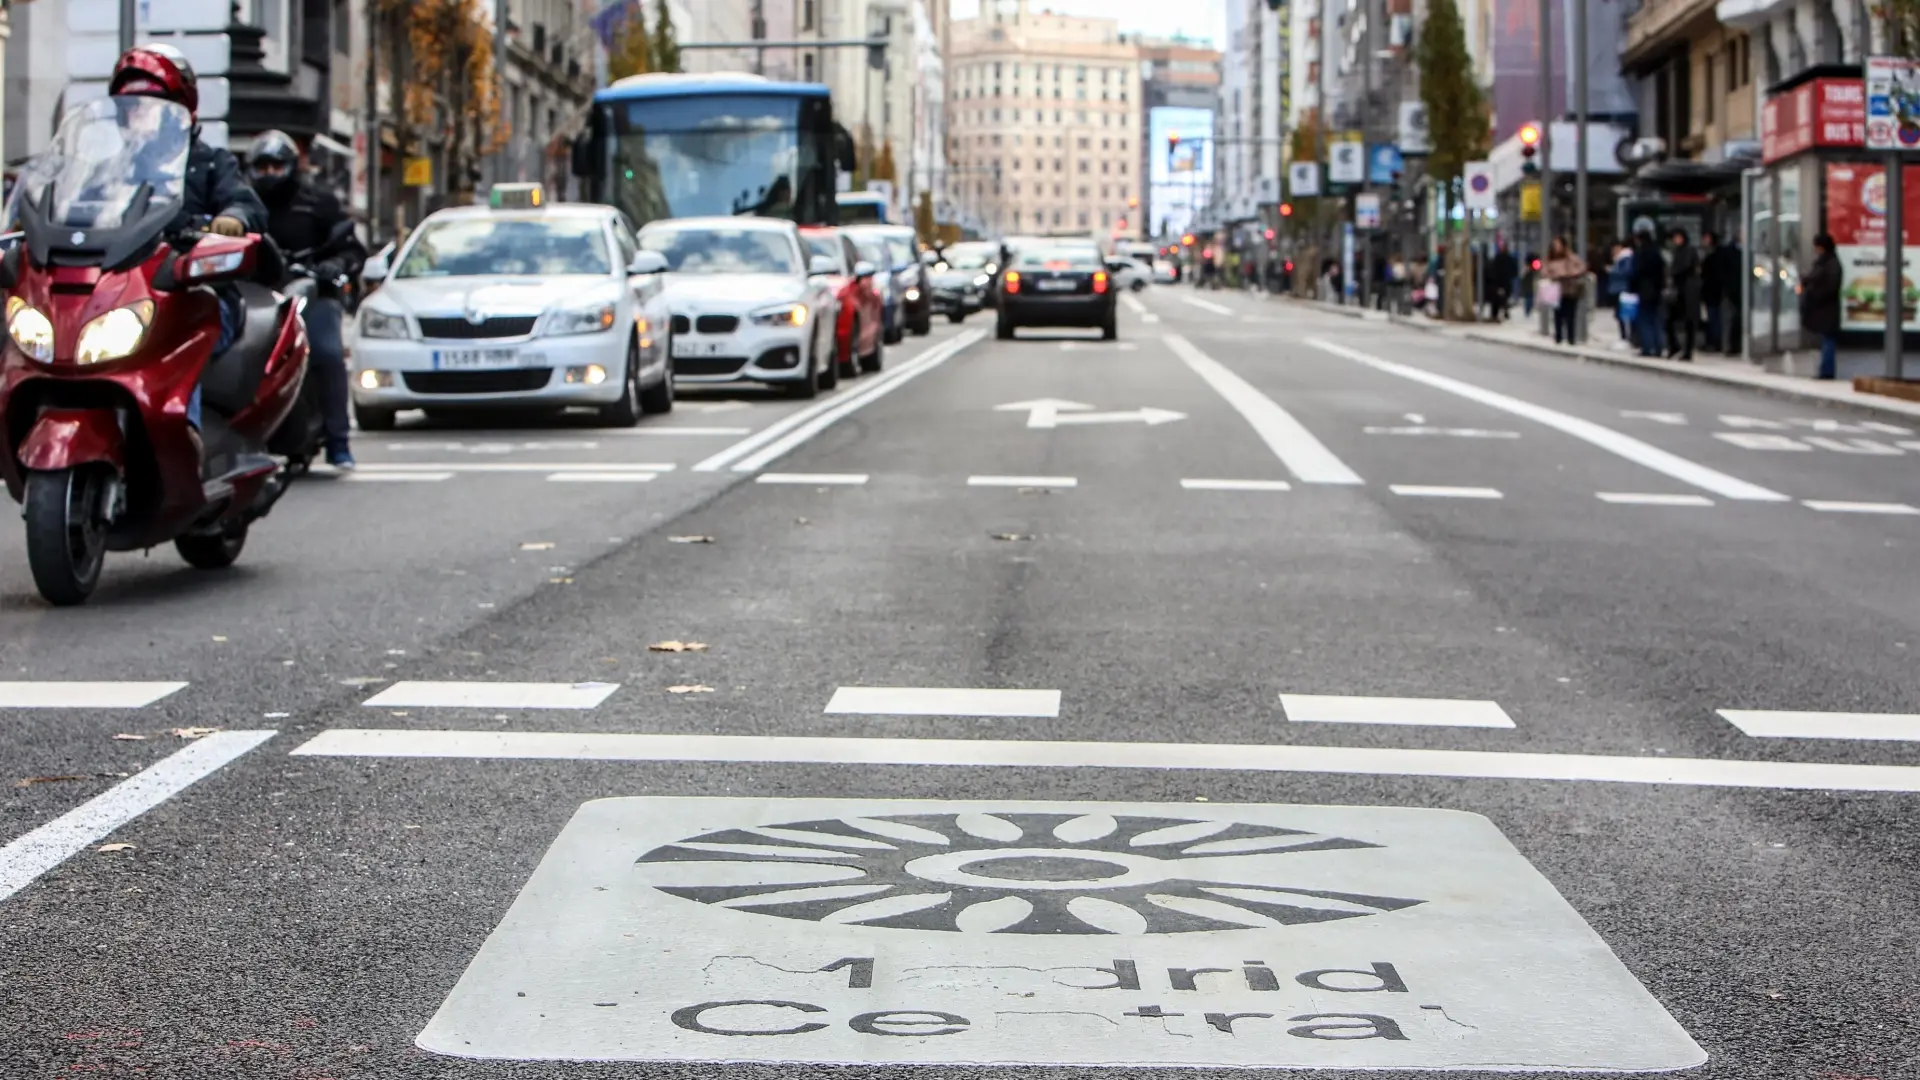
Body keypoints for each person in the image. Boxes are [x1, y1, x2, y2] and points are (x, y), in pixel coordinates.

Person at [108, 43, 268, 448]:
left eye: (149, 104)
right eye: (130, 107)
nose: (138, 115)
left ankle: (186, 437)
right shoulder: (108, 169)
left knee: (183, 331)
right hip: (119, 292)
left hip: (190, 288)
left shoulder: (211, 162)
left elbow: (246, 202)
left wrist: (233, 218)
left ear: (181, 108)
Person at [248, 129, 366, 470]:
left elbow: (351, 247)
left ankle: (338, 442)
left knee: (327, 353)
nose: (269, 173)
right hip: (258, 297)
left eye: (276, 165)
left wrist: (333, 265)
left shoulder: (320, 202)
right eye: (262, 166)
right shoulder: (243, 206)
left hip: (311, 294)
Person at [1801, 232, 1843, 380]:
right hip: (1824, 309)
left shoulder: (1829, 264)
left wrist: (1813, 293)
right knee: (1827, 339)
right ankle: (1825, 370)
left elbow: (1829, 286)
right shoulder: (1826, 262)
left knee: (1828, 340)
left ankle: (1827, 371)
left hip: (1826, 308)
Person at [1630, 229, 1667, 357]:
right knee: (1656, 319)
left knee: (1645, 319)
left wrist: (1632, 287)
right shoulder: (1657, 253)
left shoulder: (1640, 254)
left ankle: (1647, 346)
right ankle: (1659, 347)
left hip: (1644, 289)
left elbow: (1635, 272)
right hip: (1656, 290)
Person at [1542, 237, 1585, 345]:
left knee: (1571, 314)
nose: (1557, 247)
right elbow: (1544, 271)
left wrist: (1571, 272)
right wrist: (1554, 274)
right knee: (1558, 314)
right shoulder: (1550, 259)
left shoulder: (1571, 257)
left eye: (1559, 244)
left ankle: (1571, 338)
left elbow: (1581, 267)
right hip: (1556, 289)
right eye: (1555, 245)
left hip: (1569, 288)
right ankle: (1558, 336)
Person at [1665, 228, 1699, 360]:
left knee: (1688, 322)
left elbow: (1683, 268)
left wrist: (1673, 273)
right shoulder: (1678, 251)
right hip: (1680, 291)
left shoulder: (1687, 251)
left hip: (1687, 292)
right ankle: (1676, 346)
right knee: (1670, 320)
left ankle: (1686, 351)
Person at [1717, 231, 1744, 355]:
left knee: (1738, 317)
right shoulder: (1729, 252)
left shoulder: (1747, 250)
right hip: (1734, 288)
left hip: (1742, 288)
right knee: (1734, 317)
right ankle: (1734, 345)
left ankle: (1737, 345)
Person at [1607, 241, 1635, 344]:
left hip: (1622, 289)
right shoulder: (1618, 259)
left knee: (1624, 314)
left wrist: (1612, 271)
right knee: (1619, 314)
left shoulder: (1625, 258)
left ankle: (1627, 337)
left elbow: (1626, 272)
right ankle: (1624, 336)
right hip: (1617, 289)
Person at [1486, 241, 1518, 322]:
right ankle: (1504, 310)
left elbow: (1493, 269)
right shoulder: (1509, 258)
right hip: (1505, 281)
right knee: (1504, 298)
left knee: (1497, 298)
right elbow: (1515, 270)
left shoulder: (1498, 258)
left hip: (1499, 281)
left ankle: (1496, 313)